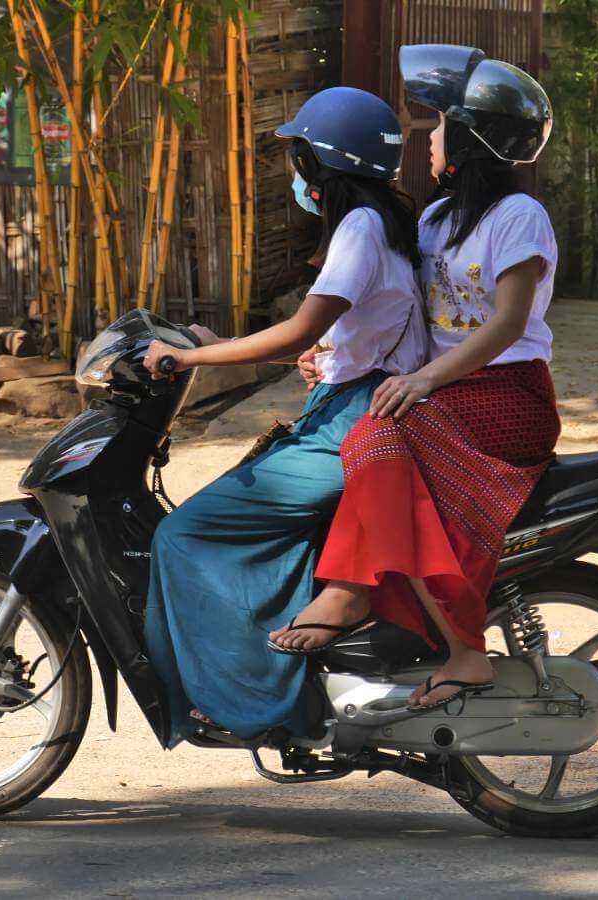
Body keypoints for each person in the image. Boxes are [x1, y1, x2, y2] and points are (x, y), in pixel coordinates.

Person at [269, 44, 561, 711]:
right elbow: (405, 310)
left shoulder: (521, 217)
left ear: (469, 138)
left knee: (374, 438)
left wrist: (426, 381)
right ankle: (360, 597)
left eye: (437, 127)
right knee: (373, 448)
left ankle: (448, 642)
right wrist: (333, 352)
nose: (424, 140)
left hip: (507, 396)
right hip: (449, 391)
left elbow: (509, 323)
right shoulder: (433, 219)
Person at [141, 87, 426, 745]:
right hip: (353, 404)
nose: (292, 174)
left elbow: (301, 330)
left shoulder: (359, 227)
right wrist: (216, 346)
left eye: (298, 158)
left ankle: (242, 700)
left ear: (322, 164)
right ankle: (286, 687)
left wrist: (191, 363)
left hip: (355, 421)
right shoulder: (382, 223)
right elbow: (347, 336)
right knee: (272, 535)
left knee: (182, 535)